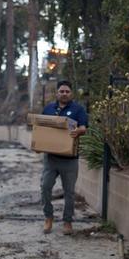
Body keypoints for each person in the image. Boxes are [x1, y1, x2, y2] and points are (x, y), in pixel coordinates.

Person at [40, 80, 88, 235]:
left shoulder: (77, 109)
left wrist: (78, 131)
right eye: (62, 91)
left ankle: (67, 221)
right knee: (45, 187)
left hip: (69, 159)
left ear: (71, 93)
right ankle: (48, 217)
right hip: (51, 159)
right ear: (57, 93)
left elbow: (83, 127)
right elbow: (40, 129)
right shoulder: (48, 109)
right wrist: (38, 146)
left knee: (69, 192)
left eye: (67, 91)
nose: (64, 94)